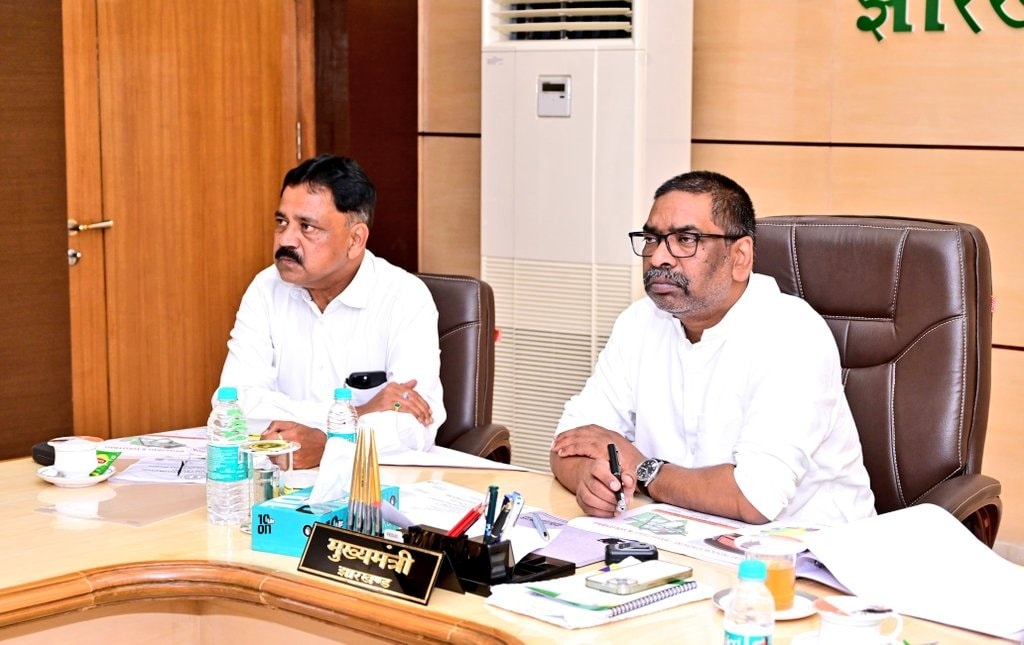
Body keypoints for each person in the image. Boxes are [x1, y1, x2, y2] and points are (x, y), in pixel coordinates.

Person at [550, 170, 875, 526]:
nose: (658, 258)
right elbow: (567, 444)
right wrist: (591, 480)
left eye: (685, 240)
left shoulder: (793, 334)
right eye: (652, 239)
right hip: (677, 536)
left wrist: (643, 469)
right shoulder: (638, 322)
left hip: (805, 546)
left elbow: (753, 499)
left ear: (740, 256)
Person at [215, 154, 445, 469]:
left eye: (307, 227)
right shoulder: (265, 288)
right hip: (279, 474)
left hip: (371, 482)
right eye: (282, 222)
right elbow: (233, 407)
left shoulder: (404, 298)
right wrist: (357, 415)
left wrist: (327, 446)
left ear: (355, 239)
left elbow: (414, 424)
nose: (286, 239)